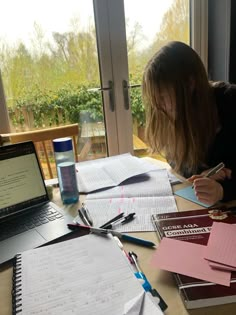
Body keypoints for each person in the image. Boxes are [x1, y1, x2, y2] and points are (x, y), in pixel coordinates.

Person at [142, 41, 236, 206]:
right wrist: (202, 174)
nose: (158, 106)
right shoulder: (172, 112)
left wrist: (222, 190)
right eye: (155, 99)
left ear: (189, 84)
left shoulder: (231, 102)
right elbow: (175, 160)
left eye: (162, 97)